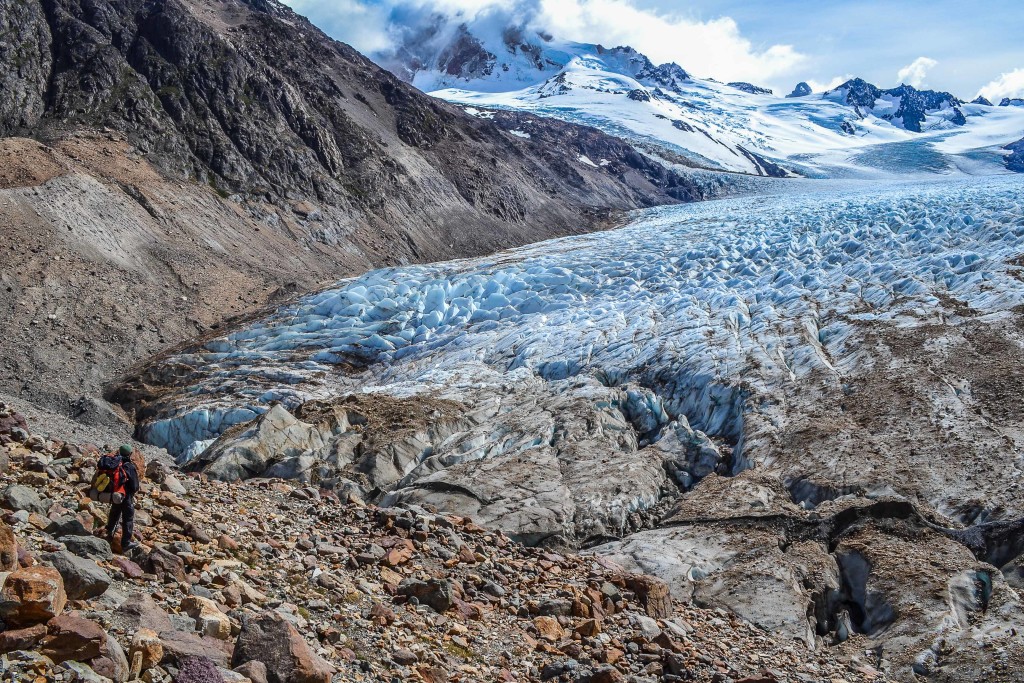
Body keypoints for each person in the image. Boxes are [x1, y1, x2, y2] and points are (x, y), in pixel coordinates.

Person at [103, 444, 140, 552]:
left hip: (116, 494)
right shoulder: (129, 466)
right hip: (126, 496)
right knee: (128, 519)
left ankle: (107, 533)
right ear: (129, 454)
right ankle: (126, 543)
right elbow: (134, 486)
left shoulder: (114, 464)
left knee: (114, 513)